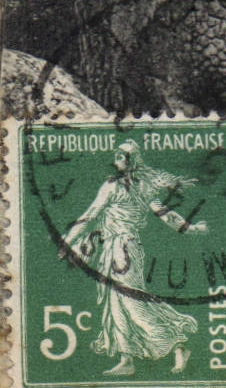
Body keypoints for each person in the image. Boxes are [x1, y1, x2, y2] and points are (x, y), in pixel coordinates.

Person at [59, 140, 208, 376]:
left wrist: (68, 241)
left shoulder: (116, 186)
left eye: (121, 155)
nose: (116, 157)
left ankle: (178, 345)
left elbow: (91, 215)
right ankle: (126, 359)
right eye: (116, 154)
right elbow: (163, 214)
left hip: (124, 249)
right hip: (114, 247)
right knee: (115, 303)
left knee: (132, 302)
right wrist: (191, 229)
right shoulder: (135, 186)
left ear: (131, 161)